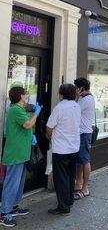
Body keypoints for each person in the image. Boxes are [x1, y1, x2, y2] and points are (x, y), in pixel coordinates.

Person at [0, 86, 42, 227]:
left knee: (18, 183)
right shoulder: (16, 110)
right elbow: (28, 124)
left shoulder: (19, 109)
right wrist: (36, 113)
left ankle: (14, 206)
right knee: (12, 183)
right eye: (25, 95)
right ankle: (4, 213)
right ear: (21, 96)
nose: (26, 97)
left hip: (21, 153)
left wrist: (31, 137)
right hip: (15, 154)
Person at [46, 84, 81, 216]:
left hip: (61, 149)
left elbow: (49, 127)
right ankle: (69, 200)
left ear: (62, 94)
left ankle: (63, 206)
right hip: (74, 147)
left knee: (61, 179)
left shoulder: (59, 108)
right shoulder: (76, 106)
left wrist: (50, 136)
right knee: (71, 176)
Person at [73, 78, 95, 198]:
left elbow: (74, 110)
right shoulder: (83, 98)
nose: (75, 90)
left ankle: (85, 188)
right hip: (80, 133)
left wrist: (76, 96)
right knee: (79, 161)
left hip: (84, 134)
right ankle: (78, 183)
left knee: (85, 160)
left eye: (76, 87)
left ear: (81, 88)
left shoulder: (87, 99)